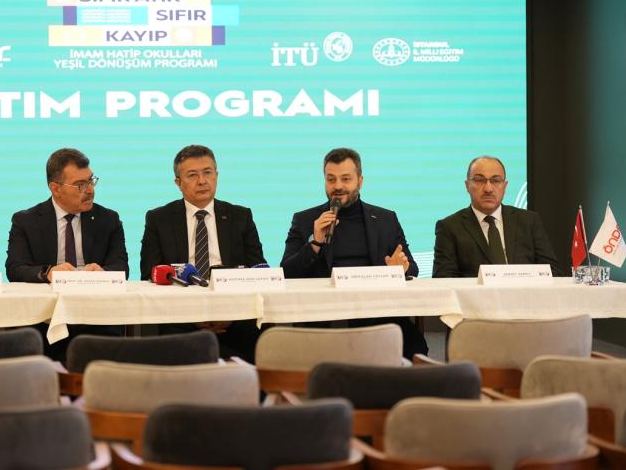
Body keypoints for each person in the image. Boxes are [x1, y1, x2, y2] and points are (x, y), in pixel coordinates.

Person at [280, 147, 428, 358]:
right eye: (331, 179)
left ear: (360, 180)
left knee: (415, 346)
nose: (338, 186)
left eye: (346, 179)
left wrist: (399, 269)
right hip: (325, 318)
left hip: (378, 314)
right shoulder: (305, 220)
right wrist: (315, 242)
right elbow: (286, 273)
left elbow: (412, 268)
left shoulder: (385, 219)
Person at [140, 145, 266, 362]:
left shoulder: (240, 216)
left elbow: (258, 270)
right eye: (192, 175)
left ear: (217, 175)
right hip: (180, 318)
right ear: (178, 183)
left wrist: (229, 316)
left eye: (207, 172)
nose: (202, 181)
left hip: (233, 318)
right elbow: (150, 274)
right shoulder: (159, 219)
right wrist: (193, 316)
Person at [6, 148, 129, 357]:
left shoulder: (108, 219)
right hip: (45, 318)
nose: (90, 190)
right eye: (80, 185)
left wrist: (104, 273)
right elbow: (15, 269)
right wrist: (48, 273)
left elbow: (121, 267)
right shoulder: (26, 220)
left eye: (91, 181)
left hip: (96, 318)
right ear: (56, 188)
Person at [433, 155, 564, 278]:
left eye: (495, 180)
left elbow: (553, 271)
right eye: (479, 180)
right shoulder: (449, 227)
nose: (488, 189)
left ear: (505, 186)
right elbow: (443, 278)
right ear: (467, 186)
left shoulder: (528, 221)